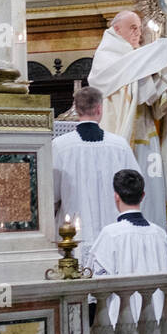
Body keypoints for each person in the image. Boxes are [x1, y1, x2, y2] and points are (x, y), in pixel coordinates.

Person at [88, 9, 167, 229]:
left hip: (147, 133)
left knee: (152, 188)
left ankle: (154, 230)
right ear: (116, 29)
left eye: (140, 29)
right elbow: (126, 87)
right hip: (122, 136)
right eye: (133, 28)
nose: (138, 34)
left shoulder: (140, 56)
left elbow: (149, 97)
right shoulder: (106, 57)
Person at [52, 86, 140, 268]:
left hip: (74, 236)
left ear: (76, 109)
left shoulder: (60, 146)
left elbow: (50, 195)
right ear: (100, 109)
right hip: (114, 232)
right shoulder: (119, 145)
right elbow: (135, 187)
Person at [88, 169, 167, 326]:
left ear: (116, 196)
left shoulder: (110, 234)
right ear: (142, 196)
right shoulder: (160, 234)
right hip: (158, 318)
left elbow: (96, 283)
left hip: (122, 322)